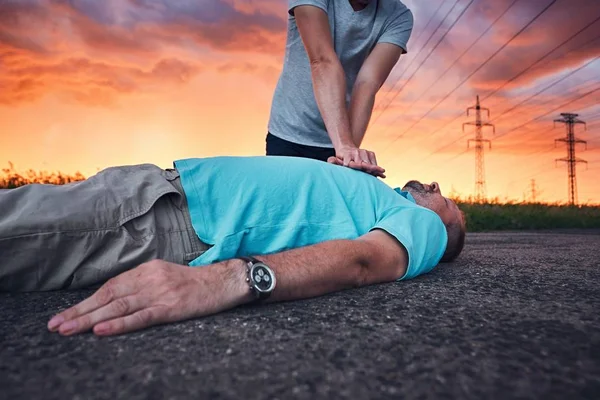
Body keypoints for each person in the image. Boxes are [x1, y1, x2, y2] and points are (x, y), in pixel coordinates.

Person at [0, 156, 465, 337]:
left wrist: (222, 280)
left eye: (453, 203)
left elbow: (366, 261)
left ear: (447, 233)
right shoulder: (382, 195)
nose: (439, 186)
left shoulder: (426, 227)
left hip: (170, 219)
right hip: (166, 191)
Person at [266, 0, 414, 178]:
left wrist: (349, 154)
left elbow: (367, 84)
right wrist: (344, 145)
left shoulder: (399, 16)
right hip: (289, 131)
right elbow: (321, 60)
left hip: (339, 142)